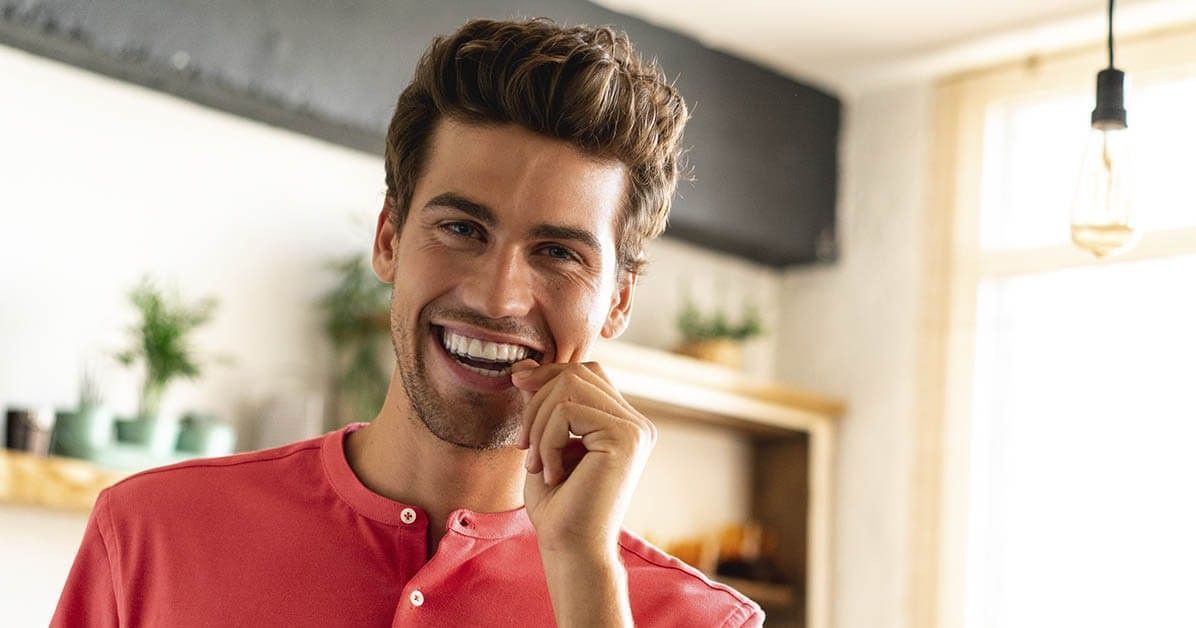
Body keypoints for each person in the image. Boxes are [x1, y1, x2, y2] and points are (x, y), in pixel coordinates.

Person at [52, 17, 764, 627]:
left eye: (557, 252)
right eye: (461, 227)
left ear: (618, 300)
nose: (498, 297)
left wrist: (583, 575)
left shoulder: (696, 620)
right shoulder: (151, 534)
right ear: (388, 238)